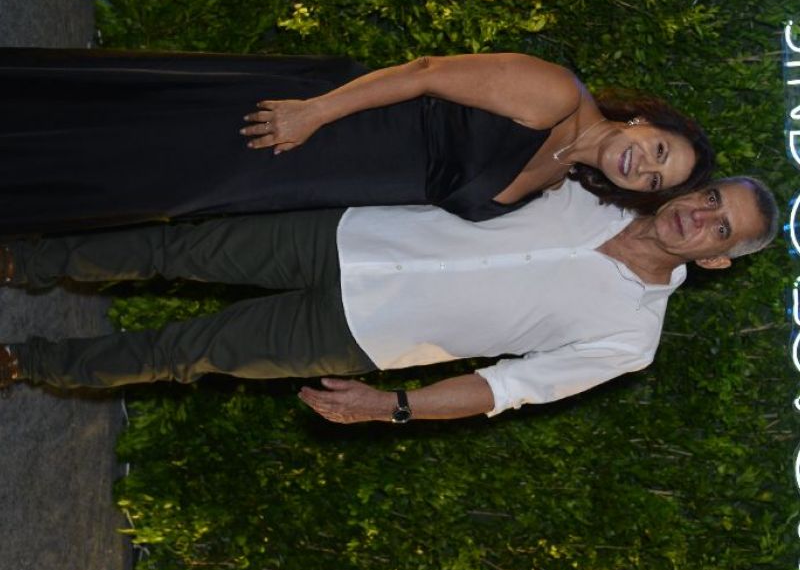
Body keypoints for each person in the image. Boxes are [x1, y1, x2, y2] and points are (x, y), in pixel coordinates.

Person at [0, 176, 777, 422]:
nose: (699, 216)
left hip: (357, 333)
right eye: (711, 197)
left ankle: (27, 362)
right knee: (175, 249)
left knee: (183, 353)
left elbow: (508, 387)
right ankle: (22, 260)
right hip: (349, 232)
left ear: (717, 260)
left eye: (721, 228)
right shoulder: (596, 186)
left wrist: (393, 406)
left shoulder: (630, 338)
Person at [0, 48, 713, 235]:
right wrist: (315, 112)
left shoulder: (553, 180)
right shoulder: (556, 94)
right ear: (645, 122)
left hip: (308, 178)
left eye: (655, 180)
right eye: (659, 150)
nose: (644, 167)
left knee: (156, 184)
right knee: (148, 144)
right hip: (325, 123)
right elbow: (423, 73)